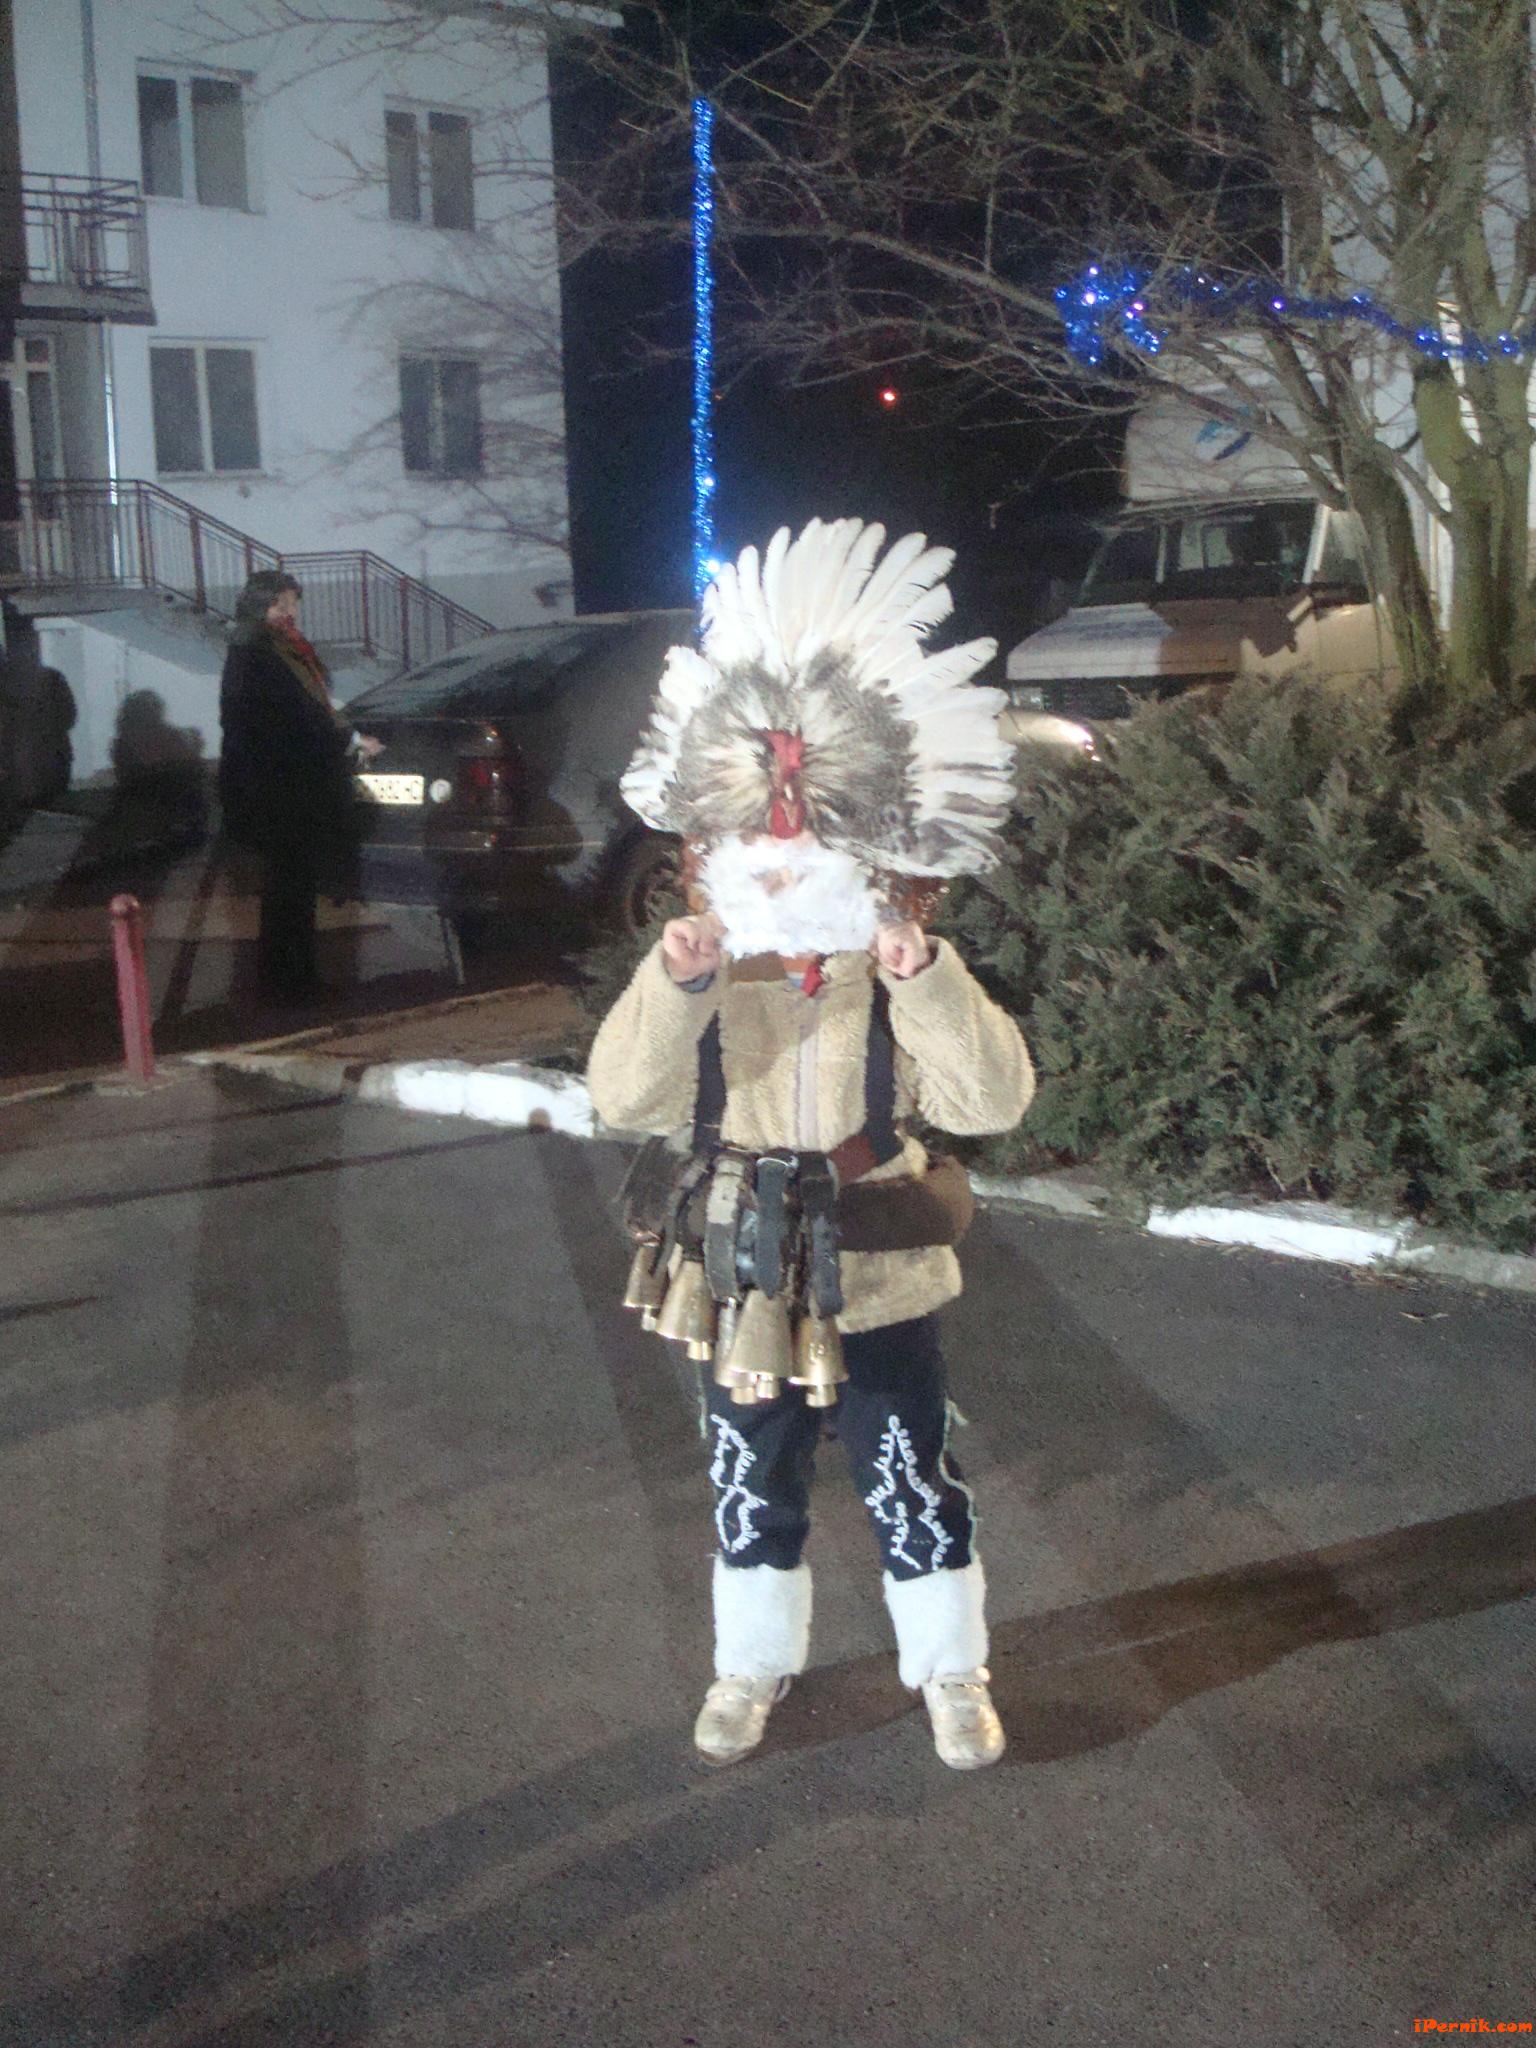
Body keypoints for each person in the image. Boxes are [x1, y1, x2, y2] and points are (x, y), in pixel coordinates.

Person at [587, 519, 1034, 1771]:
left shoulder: (892, 972)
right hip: (735, 1272)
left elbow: (994, 1100)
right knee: (749, 1472)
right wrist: (674, 985)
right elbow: (622, 1097)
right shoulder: (703, 970)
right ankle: (749, 1664)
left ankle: (951, 1669)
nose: (781, 877)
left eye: (806, 858)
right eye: (758, 859)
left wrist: (925, 977)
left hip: (876, 1269)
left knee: (909, 1470)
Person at [218, 570, 382, 1002]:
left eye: (293, 602)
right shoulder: (256, 653)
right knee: (289, 884)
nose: (291, 611)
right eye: (281, 603)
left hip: (290, 783)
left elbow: (312, 709)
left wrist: (345, 735)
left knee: (293, 883)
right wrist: (347, 741)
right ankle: (288, 983)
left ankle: (291, 978)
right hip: (278, 786)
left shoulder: (280, 649)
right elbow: (292, 719)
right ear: (260, 606)